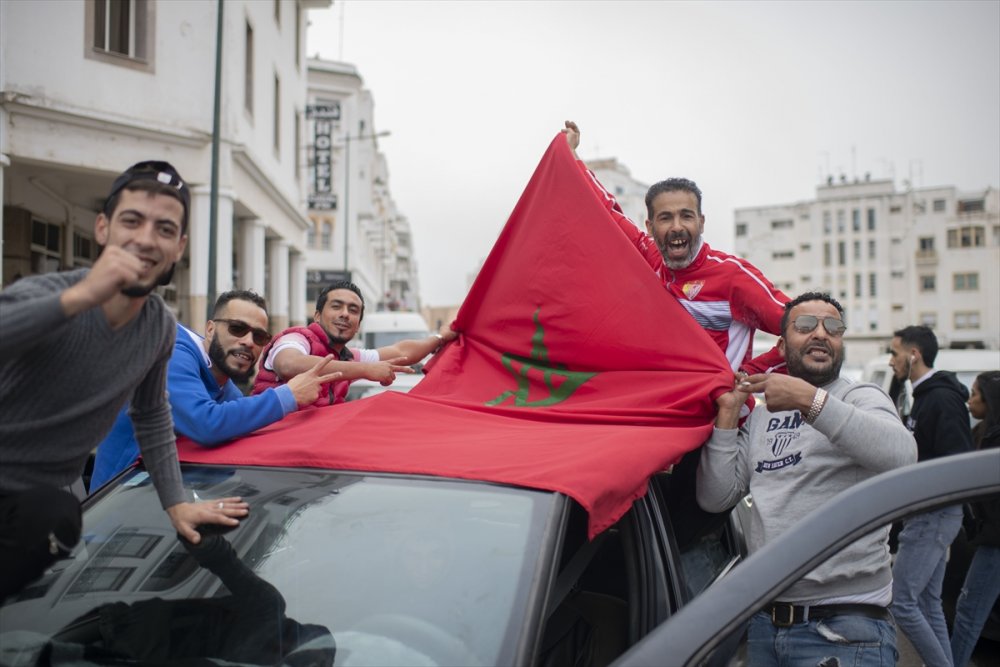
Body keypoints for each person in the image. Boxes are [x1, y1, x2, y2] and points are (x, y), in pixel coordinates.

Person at [0, 161, 247, 601]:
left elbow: (152, 416)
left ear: (179, 247)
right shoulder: (47, 295)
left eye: (165, 229)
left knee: (57, 523)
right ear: (102, 228)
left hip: (43, 505)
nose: (146, 239)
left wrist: (177, 505)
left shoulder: (158, 328)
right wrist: (82, 297)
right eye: (132, 221)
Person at [696, 291, 916, 666]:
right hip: (766, 624)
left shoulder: (862, 396)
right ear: (781, 345)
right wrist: (729, 417)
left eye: (832, 327)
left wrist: (809, 402)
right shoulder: (763, 416)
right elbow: (715, 497)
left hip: (845, 631)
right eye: (805, 326)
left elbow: (903, 456)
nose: (820, 334)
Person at [562, 121, 789, 376]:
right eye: (666, 218)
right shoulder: (649, 257)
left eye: (686, 216)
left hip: (716, 414)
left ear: (701, 223)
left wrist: (746, 375)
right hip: (666, 407)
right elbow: (605, 211)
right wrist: (572, 156)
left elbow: (801, 328)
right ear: (650, 226)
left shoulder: (733, 277)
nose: (677, 227)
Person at [89, 289, 344, 490]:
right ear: (210, 329)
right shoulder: (170, 351)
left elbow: (245, 433)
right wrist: (287, 395)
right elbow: (206, 423)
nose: (248, 341)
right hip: (113, 517)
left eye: (259, 337)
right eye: (237, 328)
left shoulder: (226, 387)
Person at [888, 325, 974, 667]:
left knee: (902, 603)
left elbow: (958, 461)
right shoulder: (924, 396)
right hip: (930, 512)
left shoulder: (940, 398)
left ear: (914, 355)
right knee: (926, 602)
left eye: (895, 353)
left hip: (933, 513)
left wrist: (927, 504)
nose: (891, 360)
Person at [253, 280, 457, 405]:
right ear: (316, 316)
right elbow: (289, 364)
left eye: (353, 310)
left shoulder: (349, 356)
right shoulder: (296, 339)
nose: (344, 314)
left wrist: (440, 338)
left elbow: (401, 351)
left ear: (358, 325)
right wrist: (365, 370)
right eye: (336, 306)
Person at [950, 370, 1000, 667]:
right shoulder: (982, 433)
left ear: (990, 401)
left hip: (994, 543)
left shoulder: (993, 441)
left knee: (969, 611)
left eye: (974, 394)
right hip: (988, 538)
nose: (969, 402)